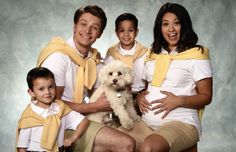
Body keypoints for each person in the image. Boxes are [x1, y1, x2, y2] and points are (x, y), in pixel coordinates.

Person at [36, 5, 135, 152]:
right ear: (74, 26)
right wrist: (93, 107)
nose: (87, 31)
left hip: (79, 119)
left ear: (100, 33)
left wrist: (122, 92)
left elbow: (103, 94)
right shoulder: (58, 57)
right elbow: (50, 104)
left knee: (135, 136)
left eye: (94, 27)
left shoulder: (92, 60)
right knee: (125, 143)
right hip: (55, 124)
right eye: (83, 24)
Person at [120, 3, 213, 152]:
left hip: (181, 122)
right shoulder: (153, 55)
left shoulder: (196, 55)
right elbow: (148, 86)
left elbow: (206, 96)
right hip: (147, 123)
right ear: (160, 28)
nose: (171, 29)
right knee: (114, 141)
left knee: (149, 148)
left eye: (177, 23)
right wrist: (140, 97)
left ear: (184, 25)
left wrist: (179, 100)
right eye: (165, 24)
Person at [16, 67, 89, 152]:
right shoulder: (29, 116)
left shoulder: (61, 109)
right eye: (41, 89)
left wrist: (72, 138)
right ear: (31, 92)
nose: (47, 92)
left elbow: (84, 121)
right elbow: (22, 146)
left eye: (50, 87)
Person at [104, 13, 148, 114]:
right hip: (119, 96)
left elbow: (150, 79)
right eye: (122, 30)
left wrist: (143, 95)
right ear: (116, 32)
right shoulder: (111, 54)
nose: (126, 34)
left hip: (140, 97)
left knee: (140, 125)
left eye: (131, 30)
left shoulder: (145, 53)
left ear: (136, 32)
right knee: (121, 125)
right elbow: (107, 79)